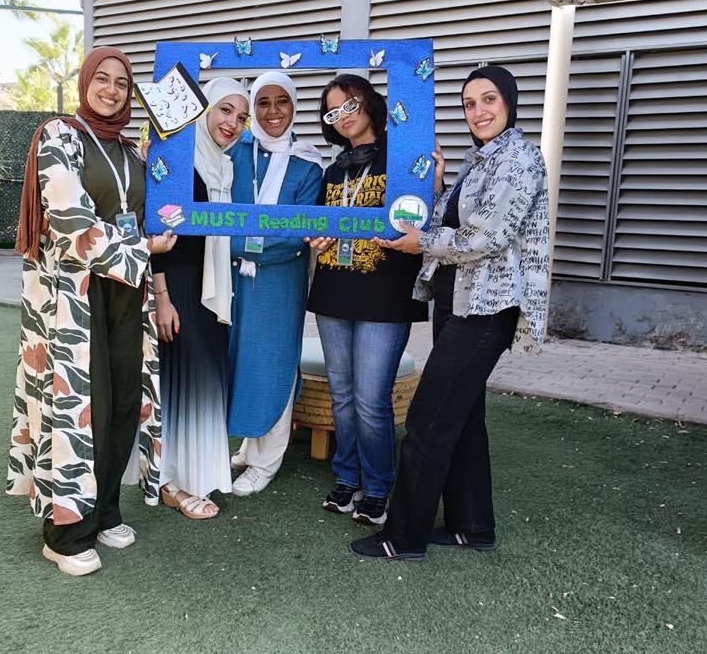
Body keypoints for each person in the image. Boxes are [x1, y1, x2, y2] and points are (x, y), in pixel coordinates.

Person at [351, 65, 549, 561]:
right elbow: (456, 221)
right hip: (456, 298)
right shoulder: (479, 159)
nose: (478, 111)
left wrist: (421, 241)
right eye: (469, 103)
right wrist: (439, 187)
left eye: (489, 99)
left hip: (486, 307)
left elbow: (485, 237)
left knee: (429, 417)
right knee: (462, 417)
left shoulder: (520, 158)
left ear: (509, 102)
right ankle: (472, 526)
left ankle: (403, 537)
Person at [7, 47, 176, 576]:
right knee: (81, 406)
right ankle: (64, 534)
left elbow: (151, 211)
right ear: (85, 83)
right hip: (74, 296)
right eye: (101, 79)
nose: (111, 89)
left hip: (127, 293)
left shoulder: (131, 150)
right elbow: (70, 221)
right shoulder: (59, 136)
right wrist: (144, 248)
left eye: (122, 83)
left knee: (124, 400)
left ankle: (103, 511)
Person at [306, 74, 427, 525]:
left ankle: (377, 487)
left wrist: (433, 185)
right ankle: (347, 479)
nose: (343, 116)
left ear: (369, 102)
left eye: (350, 104)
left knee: (371, 399)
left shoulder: (404, 158)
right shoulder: (333, 171)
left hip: (385, 294)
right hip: (334, 291)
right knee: (342, 394)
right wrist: (314, 237)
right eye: (332, 112)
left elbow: (422, 216)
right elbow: (316, 224)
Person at [153, 78, 250, 519]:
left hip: (211, 287)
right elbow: (154, 229)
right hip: (178, 285)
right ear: (204, 109)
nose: (233, 123)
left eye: (241, 117)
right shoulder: (177, 160)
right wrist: (162, 297)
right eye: (225, 110)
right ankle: (174, 483)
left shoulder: (222, 166)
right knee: (186, 383)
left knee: (206, 380)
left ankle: (191, 476)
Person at [226, 71, 324, 496]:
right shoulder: (234, 151)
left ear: (294, 106)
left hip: (280, 279)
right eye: (262, 102)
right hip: (232, 278)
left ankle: (267, 460)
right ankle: (251, 443)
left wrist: (236, 244)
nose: (272, 111)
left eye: (281, 101)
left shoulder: (307, 163)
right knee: (239, 358)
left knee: (272, 361)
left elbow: (297, 233)